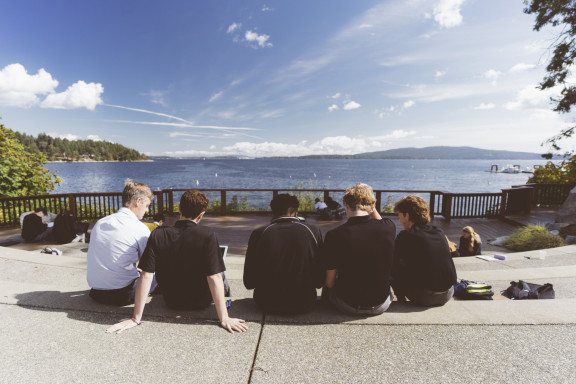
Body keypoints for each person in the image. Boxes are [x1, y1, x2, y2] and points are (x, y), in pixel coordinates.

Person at [106, 190, 247, 334]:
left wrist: (136, 318)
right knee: (218, 271)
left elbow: (146, 275)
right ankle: (227, 296)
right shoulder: (207, 235)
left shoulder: (158, 234)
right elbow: (214, 276)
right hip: (200, 301)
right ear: (201, 215)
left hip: (171, 300)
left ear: (179, 208)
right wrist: (224, 318)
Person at [321, 183, 396, 316]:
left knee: (329, 286)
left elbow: (329, 283)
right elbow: (380, 220)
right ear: (372, 205)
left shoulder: (335, 235)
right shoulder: (388, 227)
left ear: (345, 204)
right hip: (381, 304)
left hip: (348, 304)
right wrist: (369, 201)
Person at [244, 193, 323, 314]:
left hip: (266, 302)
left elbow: (249, 282)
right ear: (294, 212)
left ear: (273, 211)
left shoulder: (259, 233)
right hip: (304, 302)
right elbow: (320, 280)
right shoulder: (313, 230)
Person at [87, 179, 155, 306]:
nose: (147, 211)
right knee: (158, 276)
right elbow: (150, 264)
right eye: (147, 206)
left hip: (96, 292)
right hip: (122, 294)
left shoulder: (100, 222)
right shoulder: (139, 228)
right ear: (138, 202)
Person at [392, 195, 457, 307]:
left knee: (392, 263)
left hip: (424, 296)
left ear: (406, 215)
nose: (399, 220)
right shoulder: (438, 231)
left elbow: (393, 262)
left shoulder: (406, 236)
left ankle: (401, 300)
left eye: (399, 216)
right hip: (447, 293)